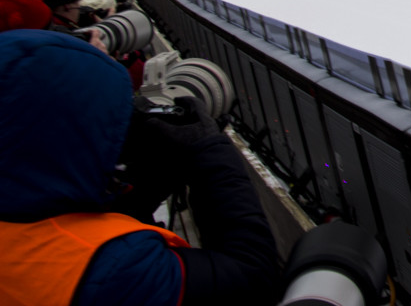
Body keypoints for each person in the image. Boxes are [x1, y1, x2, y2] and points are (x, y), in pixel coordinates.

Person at [0, 29, 281, 306]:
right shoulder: (110, 268)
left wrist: (137, 191)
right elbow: (252, 279)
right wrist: (209, 151)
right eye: (118, 116)